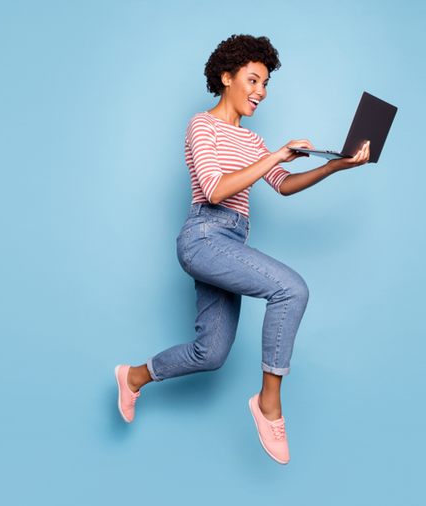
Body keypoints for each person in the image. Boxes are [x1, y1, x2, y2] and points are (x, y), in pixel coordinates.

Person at [114, 34, 370, 465]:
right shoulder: (202, 124)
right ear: (226, 77)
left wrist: (334, 165)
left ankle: (133, 376)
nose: (261, 92)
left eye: (266, 84)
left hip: (231, 241)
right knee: (291, 289)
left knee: (209, 354)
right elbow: (214, 190)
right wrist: (276, 155)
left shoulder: (252, 142)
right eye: (253, 80)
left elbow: (284, 186)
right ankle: (268, 403)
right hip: (203, 237)